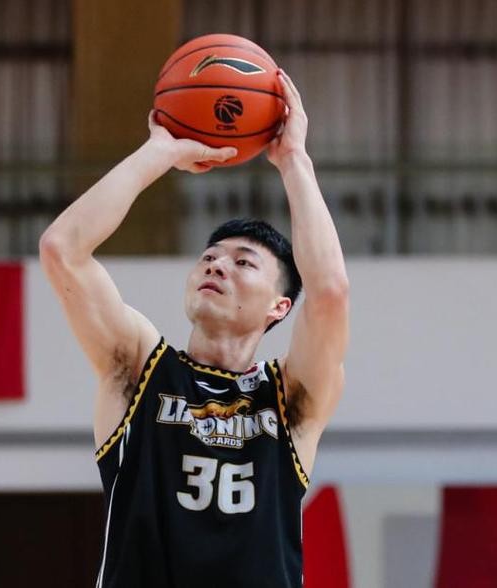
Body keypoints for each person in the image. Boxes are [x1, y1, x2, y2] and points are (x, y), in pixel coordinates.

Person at [39, 71, 349, 588]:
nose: (217, 264)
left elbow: (330, 292)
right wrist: (158, 152)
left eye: (243, 262)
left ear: (279, 307)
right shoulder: (140, 368)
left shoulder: (291, 396)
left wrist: (294, 159)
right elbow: (62, 250)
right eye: (210, 256)